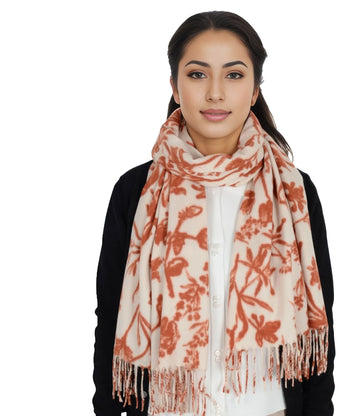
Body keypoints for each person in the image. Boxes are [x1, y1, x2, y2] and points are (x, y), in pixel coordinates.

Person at [93, 10, 335, 416]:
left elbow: (321, 319)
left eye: (234, 75)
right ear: (175, 86)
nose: (216, 93)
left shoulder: (293, 190)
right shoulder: (135, 191)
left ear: (255, 91)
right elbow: (110, 316)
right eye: (197, 74)